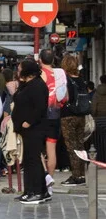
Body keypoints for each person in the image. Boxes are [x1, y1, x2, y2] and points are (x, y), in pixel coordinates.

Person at [13, 59, 49, 204]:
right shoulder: (27, 84)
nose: (18, 71)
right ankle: (30, 190)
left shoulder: (38, 85)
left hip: (34, 128)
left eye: (20, 69)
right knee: (29, 160)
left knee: (33, 160)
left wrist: (28, 122)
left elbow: (40, 107)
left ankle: (37, 191)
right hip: (25, 129)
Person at [38, 49, 68, 195]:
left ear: (40, 60)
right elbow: (66, 97)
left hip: (41, 115)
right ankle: (50, 185)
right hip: (55, 114)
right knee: (52, 150)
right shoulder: (60, 74)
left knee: (36, 147)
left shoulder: (39, 74)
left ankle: (45, 175)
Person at [59, 54, 89, 187]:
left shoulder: (66, 80)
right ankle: (82, 174)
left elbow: (64, 97)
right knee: (80, 144)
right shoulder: (81, 80)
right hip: (81, 115)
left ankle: (76, 176)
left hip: (68, 115)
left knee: (71, 146)